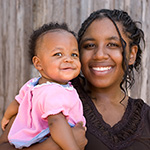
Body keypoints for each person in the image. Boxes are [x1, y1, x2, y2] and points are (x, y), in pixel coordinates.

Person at [0, 8, 150, 150]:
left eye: (112, 44)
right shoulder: (51, 93)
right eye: (90, 45)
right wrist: (54, 146)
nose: (99, 55)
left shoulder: (146, 117)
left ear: (132, 54)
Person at [0, 22, 86, 149]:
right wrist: (73, 147)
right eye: (58, 54)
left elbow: (17, 103)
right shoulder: (53, 92)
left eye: (74, 54)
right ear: (38, 63)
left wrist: (6, 117)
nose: (68, 59)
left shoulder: (32, 85)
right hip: (56, 138)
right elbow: (56, 122)